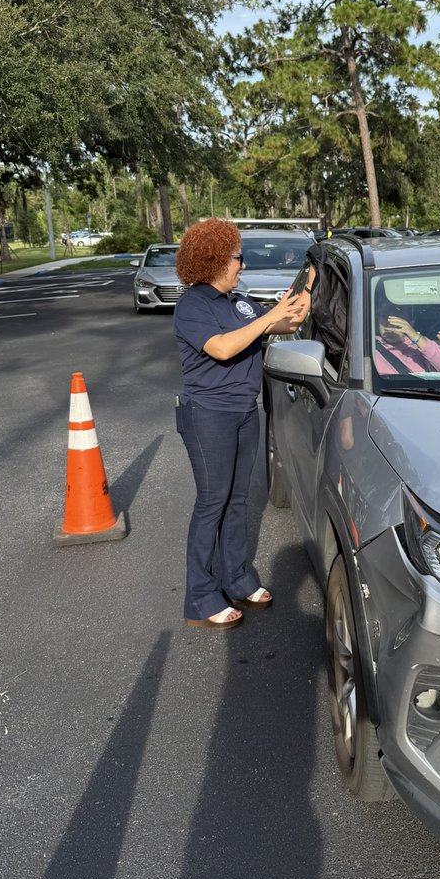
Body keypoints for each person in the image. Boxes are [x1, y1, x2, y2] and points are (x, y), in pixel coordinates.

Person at [173, 219, 309, 630]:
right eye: (237, 258)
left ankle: (237, 579)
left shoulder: (240, 302)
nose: (242, 266)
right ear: (215, 259)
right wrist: (266, 321)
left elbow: (286, 325)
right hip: (207, 415)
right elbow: (223, 346)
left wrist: (299, 301)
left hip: (244, 411)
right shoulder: (192, 305)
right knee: (212, 502)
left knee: (236, 502)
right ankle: (199, 597)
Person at [374, 310, 440, 375]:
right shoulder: (369, 347)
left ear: (410, 323)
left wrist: (415, 337)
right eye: (385, 316)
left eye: (398, 317)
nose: (390, 323)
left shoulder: (421, 346)